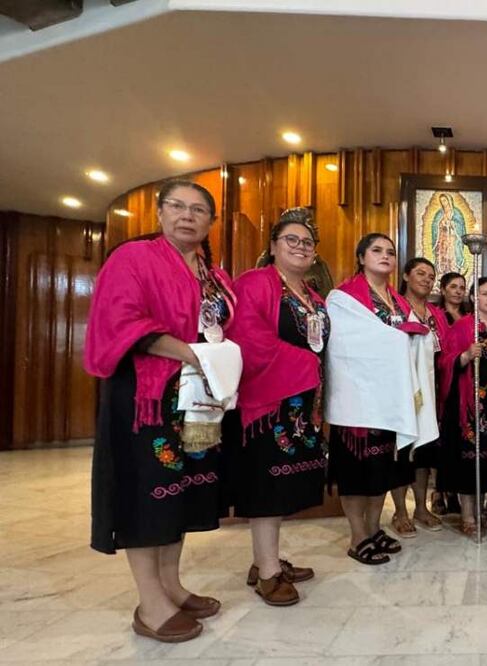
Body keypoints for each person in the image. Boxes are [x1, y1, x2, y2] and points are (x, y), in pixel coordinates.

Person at [84, 180, 235, 643]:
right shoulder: (134, 258)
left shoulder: (215, 275)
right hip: (146, 398)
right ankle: (150, 604)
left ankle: (171, 585)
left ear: (211, 222)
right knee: (149, 492)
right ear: (160, 213)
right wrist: (193, 355)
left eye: (198, 210)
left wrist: (215, 363)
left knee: (182, 492)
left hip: (198, 401)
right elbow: (123, 321)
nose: (187, 216)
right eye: (177, 206)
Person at [229, 208, 328, 606]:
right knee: (266, 487)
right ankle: (267, 573)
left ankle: (264, 559)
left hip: (302, 404)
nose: (301, 247)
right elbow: (248, 339)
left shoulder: (312, 295)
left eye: (307, 242)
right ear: (272, 246)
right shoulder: (255, 283)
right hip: (267, 402)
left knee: (283, 487)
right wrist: (310, 365)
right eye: (292, 240)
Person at [323, 233, 438, 565]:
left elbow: (416, 337)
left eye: (390, 252)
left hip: (391, 402)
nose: (385, 256)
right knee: (357, 475)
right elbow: (348, 342)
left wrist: (417, 337)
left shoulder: (397, 301)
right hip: (357, 400)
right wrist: (401, 337)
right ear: (361, 257)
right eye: (376, 250)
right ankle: (357, 536)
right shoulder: (343, 298)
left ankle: (373, 530)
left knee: (382, 472)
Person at [437, 277, 487, 538]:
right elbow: (445, 362)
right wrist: (466, 355)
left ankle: (483, 510)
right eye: (484, 293)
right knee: (469, 459)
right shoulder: (463, 327)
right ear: (474, 297)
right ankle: (468, 515)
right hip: (468, 404)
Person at [388, 257, 448, 536]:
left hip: (432, 391)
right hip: (401, 389)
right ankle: (400, 511)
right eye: (420, 273)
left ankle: (421, 507)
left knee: (424, 453)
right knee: (402, 452)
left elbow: (444, 352)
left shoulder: (435, 314)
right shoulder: (394, 307)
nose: (426, 279)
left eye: (430, 275)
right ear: (406, 276)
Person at [431, 271, 467, 516]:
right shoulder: (437, 316)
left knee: (458, 439)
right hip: (441, 377)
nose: (457, 291)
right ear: (443, 290)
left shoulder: (469, 317)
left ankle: (457, 491)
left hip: (465, 380)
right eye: (453, 286)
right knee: (439, 438)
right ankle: (439, 492)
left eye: (462, 287)